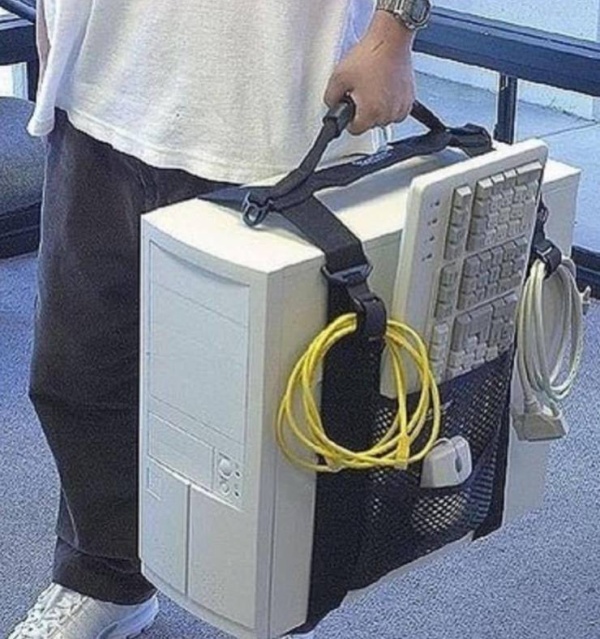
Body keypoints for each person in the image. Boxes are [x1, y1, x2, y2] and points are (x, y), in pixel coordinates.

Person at [9, 1, 418, 637]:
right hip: (98, 84)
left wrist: (396, 30)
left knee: (274, 419)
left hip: (270, 111)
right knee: (79, 370)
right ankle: (106, 578)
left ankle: (274, 611)